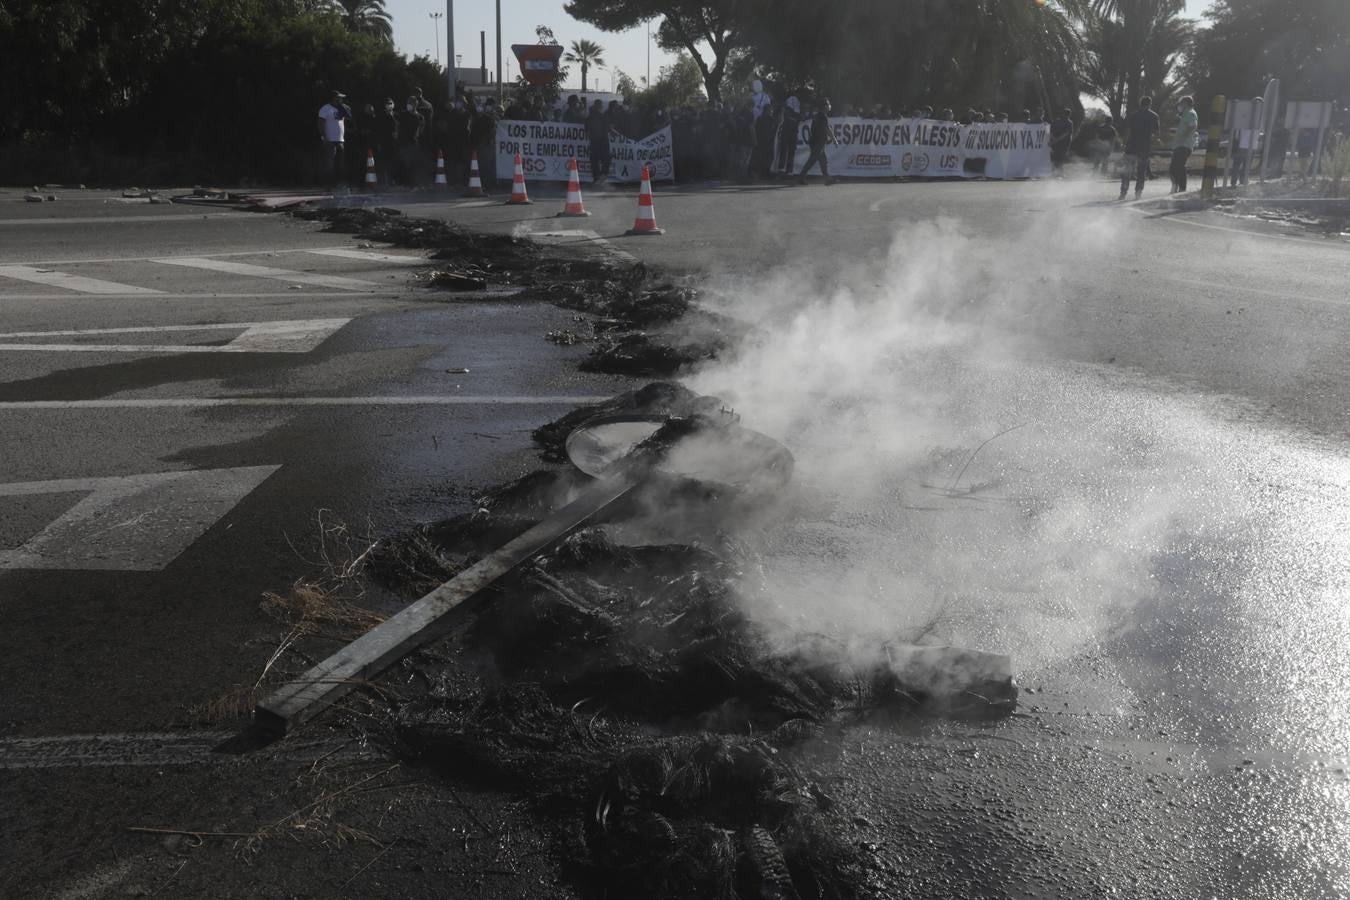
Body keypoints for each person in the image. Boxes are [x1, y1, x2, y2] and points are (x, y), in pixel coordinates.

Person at [1119, 96, 1159, 200]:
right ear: (1150, 104)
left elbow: (1127, 131)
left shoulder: (1133, 115)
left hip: (1131, 146)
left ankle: (1123, 193)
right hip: (1144, 148)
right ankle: (1138, 193)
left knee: (1127, 170)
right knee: (1141, 172)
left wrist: (1124, 144)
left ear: (1140, 103)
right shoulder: (1154, 116)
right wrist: (1152, 143)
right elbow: (1156, 134)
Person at [316, 89, 351, 186]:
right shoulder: (325, 109)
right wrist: (324, 136)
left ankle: (337, 183)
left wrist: (344, 107)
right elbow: (320, 123)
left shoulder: (341, 108)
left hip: (340, 139)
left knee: (340, 163)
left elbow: (349, 117)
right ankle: (328, 184)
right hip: (330, 139)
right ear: (334, 98)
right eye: (339, 98)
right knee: (329, 163)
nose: (341, 99)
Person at [797, 98, 836, 185]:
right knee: (813, 160)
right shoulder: (822, 116)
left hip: (816, 141)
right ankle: (801, 177)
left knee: (822, 160)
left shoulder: (818, 115)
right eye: (827, 105)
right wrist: (833, 138)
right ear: (824, 107)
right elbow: (827, 129)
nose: (829, 106)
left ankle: (827, 179)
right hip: (818, 142)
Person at [1170, 96, 1198, 193]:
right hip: (1180, 145)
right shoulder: (1186, 114)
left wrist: (1184, 136)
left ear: (1186, 103)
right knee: (1176, 167)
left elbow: (1193, 125)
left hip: (1184, 145)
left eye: (1181, 103)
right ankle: (1178, 187)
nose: (1179, 105)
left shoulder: (1190, 113)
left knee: (1177, 166)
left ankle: (1181, 188)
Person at [776, 95, 802, 176]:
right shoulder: (788, 112)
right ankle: (784, 171)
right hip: (788, 134)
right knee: (788, 152)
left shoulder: (788, 112)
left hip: (790, 134)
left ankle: (786, 171)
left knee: (789, 152)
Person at [587, 99, 611, 185]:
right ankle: (603, 175)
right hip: (603, 142)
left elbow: (586, 129)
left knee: (594, 160)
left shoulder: (590, 117)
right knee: (606, 160)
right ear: (600, 107)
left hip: (594, 141)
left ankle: (596, 177)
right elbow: (608, 129)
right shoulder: (604, 116)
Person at [1050, 108, 1073, 176]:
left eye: (1067, 114)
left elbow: (1066, 133)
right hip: (1059, 142)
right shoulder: (1057, 121)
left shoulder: (1069, 122)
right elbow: (1051, 131)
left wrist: (1055, 140)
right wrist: (1053, 139)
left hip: (1063, 142)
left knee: (1059, 157)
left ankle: (1059, 173)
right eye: (1065, 113)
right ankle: (1056, 173)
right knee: (1057, 157)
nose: (1066, 115)